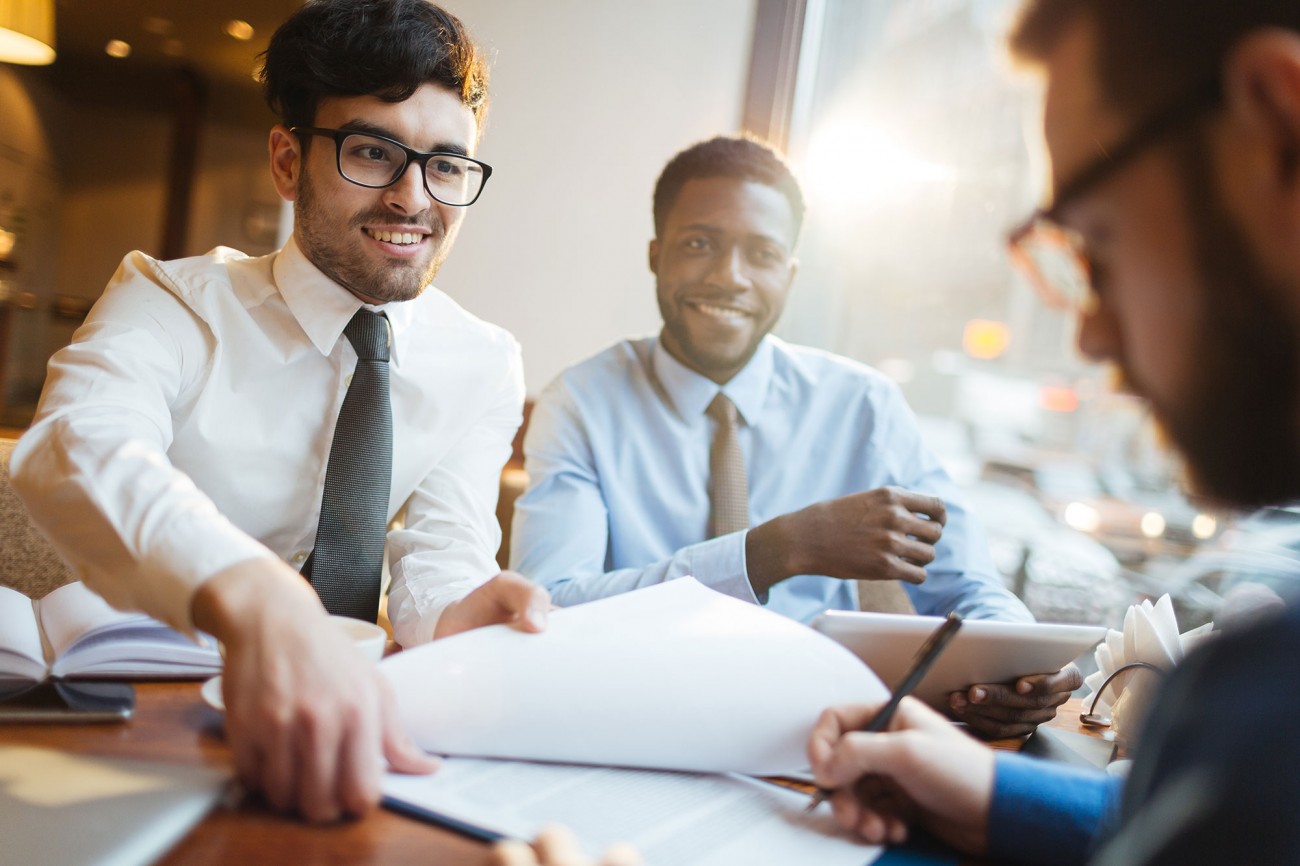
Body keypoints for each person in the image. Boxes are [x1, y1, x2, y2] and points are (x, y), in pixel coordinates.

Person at [8, 0, 550, 822]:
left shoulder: (483, 361)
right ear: (288, 162)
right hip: (133, 718)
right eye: (373, 151)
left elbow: (442, 553)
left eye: (446, 165)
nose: (414, 199)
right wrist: (255, 596)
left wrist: (458, 610)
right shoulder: (169, 300)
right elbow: (74, 445)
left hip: (343, 733)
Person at [509, 135, 1079, 739]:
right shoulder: (581, 401)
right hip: (631, 714)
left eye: (761, 253)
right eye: (699, 244)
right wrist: (775, 549)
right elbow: (551, 604)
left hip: (820, 727)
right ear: (656, 255)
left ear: (790, 272)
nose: (729, 277)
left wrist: (1018, 666)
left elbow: (965, 585)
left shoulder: (863, 405)